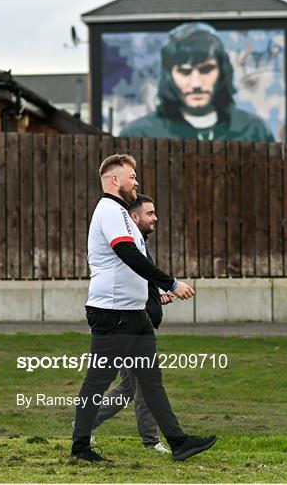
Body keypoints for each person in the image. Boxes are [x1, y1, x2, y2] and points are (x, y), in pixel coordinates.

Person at [71, 153, 216, 463]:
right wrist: (171, 283)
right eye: (131, 176)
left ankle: (179, 442)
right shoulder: (109, 210)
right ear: (114, 180)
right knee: (98, 380)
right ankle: (80, 446)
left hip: (134, 314)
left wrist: (151, 295)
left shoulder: (123, 214)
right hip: (112, 313)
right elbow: (127, 255)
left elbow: (137, 266)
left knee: (150, 380)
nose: (136, 181)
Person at [91, 194, 172, 454]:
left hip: (138, 324)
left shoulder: (138, 243)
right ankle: (152, 441)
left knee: (129, 386)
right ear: (134, 217)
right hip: (128, 326)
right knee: (145, 385)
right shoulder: (128, 246)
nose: (155, 218)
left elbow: (138, 282)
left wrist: (156, 297)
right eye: (150, 213)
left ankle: (85, 423)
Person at [121, 22, 274, 141]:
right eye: (185, 72)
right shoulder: (139, 134)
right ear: (169, 75)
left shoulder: (254, 130)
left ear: (222, 71)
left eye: (206, 70)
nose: (196, 84)